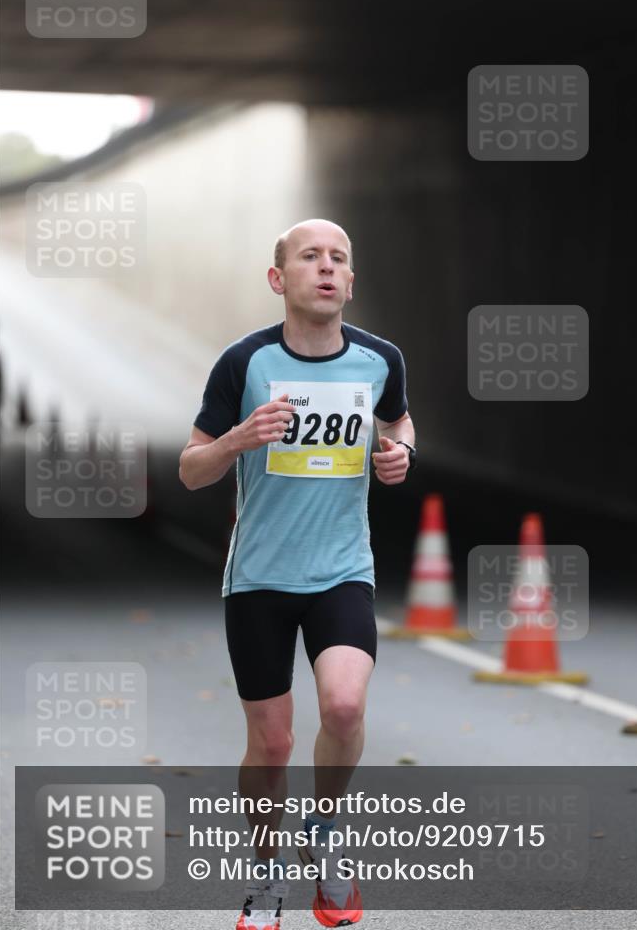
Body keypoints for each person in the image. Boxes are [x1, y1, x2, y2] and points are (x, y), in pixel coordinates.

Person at [179, 219, 416, 929]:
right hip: (257, 578)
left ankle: (324, 832)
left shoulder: (379, 360)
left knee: (344, 707)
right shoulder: (244, 361)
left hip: (342, 571)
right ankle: (265, 873)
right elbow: (190, 470)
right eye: (309, 256)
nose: (325, 267)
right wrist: (236, 438)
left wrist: (399, 455)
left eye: (338, 258)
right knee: (272, 743)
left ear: (349, 281)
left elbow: (400, 422)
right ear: (279, 279)